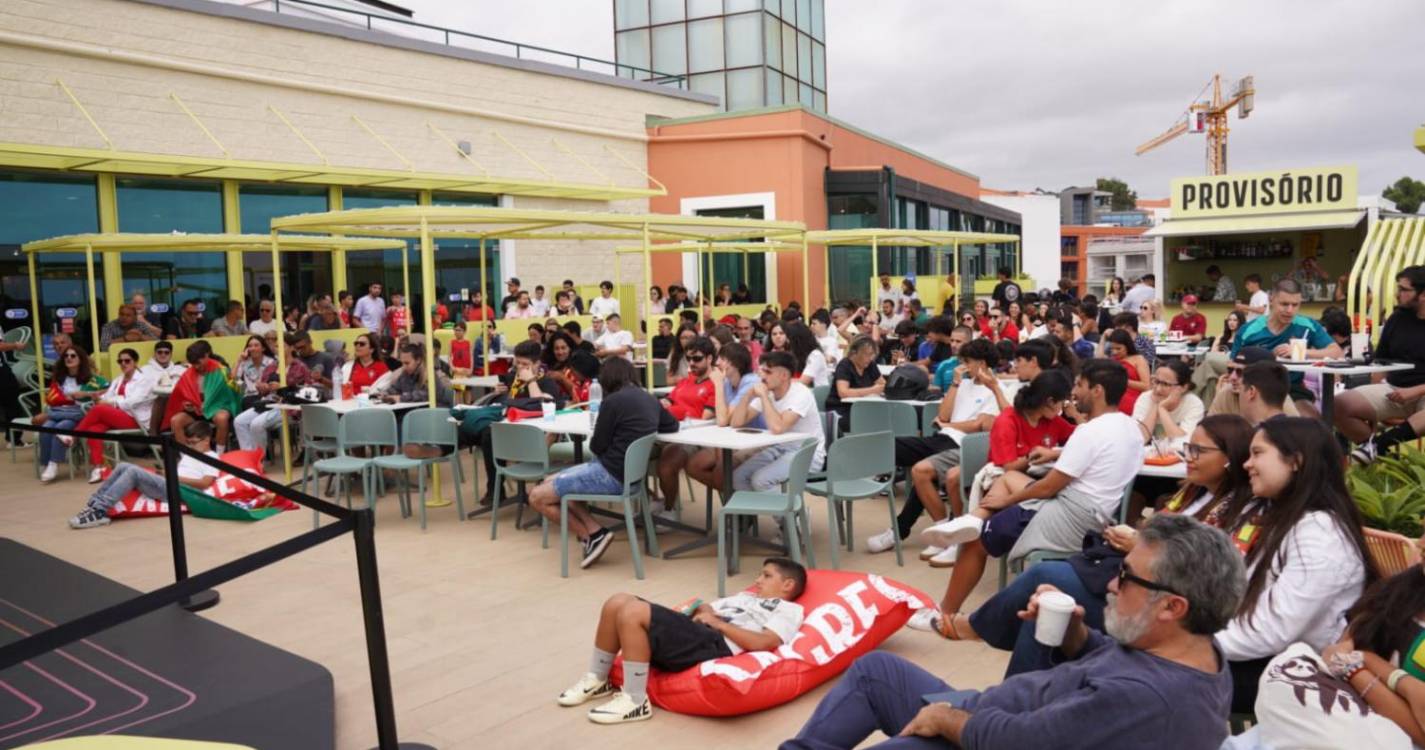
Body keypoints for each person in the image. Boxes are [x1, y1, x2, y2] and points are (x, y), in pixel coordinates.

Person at [783, 513, 1240, 750]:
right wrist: (1075, 637)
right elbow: (1111, 670)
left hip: (982, 737)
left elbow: (1018, 744)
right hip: (988, 714)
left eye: (1128, 576)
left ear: (1173, 606)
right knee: (875, 670)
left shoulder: (1148, 698)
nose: (1113, 583)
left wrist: (945, 718)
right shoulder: (1195, 648)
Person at [934, 415, 1256, 676]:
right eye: (1188, 448)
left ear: (1230, 458)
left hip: (1155, 602)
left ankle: (977, 629)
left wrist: (1139, 543)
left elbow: (1200, 573)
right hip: (1130, 576)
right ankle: (1017, 703)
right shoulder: (1194, 493)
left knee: (1045, 579)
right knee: (1049, 603)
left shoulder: (1236, 513)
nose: (1189, 457)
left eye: (1198, 451)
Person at [916, 359, 1144, 626]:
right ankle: (974, 518)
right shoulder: (1130, 429)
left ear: (1097, 391)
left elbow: (1049, 488)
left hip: (1070, 517)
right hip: (1099, 515)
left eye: (1080, 385)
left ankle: (944, 614)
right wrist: (1056, 453)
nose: (1074, 394)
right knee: (1010, 477)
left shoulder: (1089, 432)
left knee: (976, 541)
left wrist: (1007, 501)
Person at [561, 558, 807, 725]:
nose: (758, 580)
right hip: (698, 631)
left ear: (788, 584)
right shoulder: (745, 596)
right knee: (617, 601)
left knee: (633, 611)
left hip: (714, 643)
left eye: (766, 576)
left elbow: (765, 642)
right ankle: (598, 678)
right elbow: (712, 608)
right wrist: (705, 610)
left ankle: (635, 701)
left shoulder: (787, 609)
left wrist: (720, 624)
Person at [869, 339, 1006, 563]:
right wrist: (954, 385)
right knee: (891, 448)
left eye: (967, 362)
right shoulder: (964, 384)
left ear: (981, 363)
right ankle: (938, 532)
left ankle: (907, 530)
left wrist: (949, 426)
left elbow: (979, 425)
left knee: (921, 471)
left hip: (965, 445)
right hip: (942, 439)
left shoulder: (996, 389)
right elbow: (943, 415)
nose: (963, 365)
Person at [529, 357, 676, 566]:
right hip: (630, 476)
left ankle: (589, 535)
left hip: (609, 475)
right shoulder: (649, 399)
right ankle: (595, 531)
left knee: (536, 496)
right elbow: (671, 426)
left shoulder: (612, 402)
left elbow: (596, 446)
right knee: (553, 482)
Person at [1336, 265, 1425, 464]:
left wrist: (1413, 392)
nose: (1397, 294)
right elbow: (1381, 361)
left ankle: (1377, 445)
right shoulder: (1397, 319)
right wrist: (1374, 393)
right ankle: (1386, 462)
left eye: (1404, 290)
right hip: (1394, 389)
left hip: (1421, 393)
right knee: (1340, 405)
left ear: (1423, 294)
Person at [67, 419, 222, 529]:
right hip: (169, 484)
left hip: (182, 492)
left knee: (133, 471)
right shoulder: (190, 453)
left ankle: (100, 511)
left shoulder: (213, 458)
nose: (190, 445)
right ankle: (94, 504)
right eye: (188, 442)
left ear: (206, 440)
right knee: (123, 465)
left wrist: (172, 476)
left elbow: (205, 483)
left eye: (193, 442)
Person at [1231, 278, 1341, 411]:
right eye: (1284, 304)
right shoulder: (1249, 330)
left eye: (1295, 305)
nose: (1290, 310)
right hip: (1254, 387)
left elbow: (1336, 352)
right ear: (1271, 300)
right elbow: (1233, 364)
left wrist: (1301, 351)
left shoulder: (1307, 325)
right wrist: (1269, 357)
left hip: (1292, 388)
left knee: (1313, 426)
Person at [729, 351, 825, 493]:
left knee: (761, 480)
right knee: (737, 477)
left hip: (807, 453)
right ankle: (751, 513)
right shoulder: (768, 393)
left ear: (784, 376)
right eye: (761, 371)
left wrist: (763, 396)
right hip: (780, 449)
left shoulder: (801, 393)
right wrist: (748, 395)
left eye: (767, 372)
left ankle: (791, 514)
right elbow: (736, 422)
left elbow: (778, 427)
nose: (762, 376)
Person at [685, 342, 766, 497]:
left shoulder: (750, 382)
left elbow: (723, 421)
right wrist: (721, 385)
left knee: (720, 473)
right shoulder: (728, 382)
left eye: (722, 359)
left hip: (757, 440)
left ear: (734, 362)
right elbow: (723, 419)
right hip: (732, 439)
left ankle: (740, 510)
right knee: (694, 465)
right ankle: (737, 501)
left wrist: (717, 384)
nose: (717, 363)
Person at [652, 337, 717, 517]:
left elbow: (706, 417)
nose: (691, 363)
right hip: (669, 431)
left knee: (666, 464)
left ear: (710, 358)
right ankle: (656, 500)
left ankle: (670, 509)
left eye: (697, 359)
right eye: (688, 359)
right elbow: (667, 400)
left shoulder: (714, 384)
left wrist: (677, 411)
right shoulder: (686, 381)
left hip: (695, 437)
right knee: (632, 457)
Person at [68, 347, 150, 483]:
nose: (123, 364)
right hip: (116, 416)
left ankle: (74, 436)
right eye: (120, 361)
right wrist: (98, 398)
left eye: (127, 361)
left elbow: (132, 402)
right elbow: (107, 395)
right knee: (93, 430)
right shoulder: (118, 379)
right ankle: (98, 468)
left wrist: (108, 402)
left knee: (99, 409)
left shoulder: (143, 380)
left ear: (135, 362)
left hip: (134, 418)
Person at [37, 345, 107, 483]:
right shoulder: (60, 378)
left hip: (80, 414)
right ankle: (46, 464)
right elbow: (53, 397)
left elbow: (109, 389)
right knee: (47, 427)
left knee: (61, 425)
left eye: (73, 356)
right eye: (66, 356)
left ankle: (53, 464)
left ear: (80, 359)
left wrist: (85, 394)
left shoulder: (91, 378)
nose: (69, 358)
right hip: (64, 413)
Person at [232, 338, 314, 453]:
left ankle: (259, 458)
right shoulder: (273, 366)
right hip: (268, 403)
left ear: (291, 348)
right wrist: (263, 387)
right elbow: (262, 389)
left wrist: (282, 387)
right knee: (239, 421)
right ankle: (249, 456)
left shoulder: (300, 366)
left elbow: (309, 390)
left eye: (282, 346)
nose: (278, 349)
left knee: (256, 424)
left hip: (288, 407)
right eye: (276, 346)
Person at [163, 340, 239, 450]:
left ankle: (219, 454)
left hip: (217, 407)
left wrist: (208, 404)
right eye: (193, 364)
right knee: (175, 421)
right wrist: (186, 404)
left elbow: (230, 395)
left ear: (207, 356)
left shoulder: (221, 370)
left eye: (198, 362)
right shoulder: (189, 372)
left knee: (222, 418)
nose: (196, 366)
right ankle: (186, 455)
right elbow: (181, 395)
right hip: (196, 409)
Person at [1207, 348, 1299, 423]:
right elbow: (1209, 431)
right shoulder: (1226, 393)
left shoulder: (1280, 402)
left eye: (1240, 372)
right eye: (1230, 370)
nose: (1232, 377)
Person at [1133, 359, 1203, 453]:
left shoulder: (1193, 403)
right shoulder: (1145, 398)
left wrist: (1162, 409)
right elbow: (1138, 439)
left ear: (1183, 387)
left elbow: (1182, 444)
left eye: (1165, 384)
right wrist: (1156, 406)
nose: (1157, 389)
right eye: (1156, 381)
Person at [825, 335, 884, 425]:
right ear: (854, 353)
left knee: (885, 417)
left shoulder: (870, 365)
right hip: (841, 409)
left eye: (872, 354)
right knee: (873, 422)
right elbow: (843, 393)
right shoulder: (844, 365)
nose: (871, 358)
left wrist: (877, 389)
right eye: (867, 354)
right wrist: (872, 390)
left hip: (862, 408)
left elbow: (883, 384)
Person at [541, 330, 598, 403]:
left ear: (570, 348)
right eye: (556, 348)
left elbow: (579, 391)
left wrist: (562, 378)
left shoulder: (578, 364)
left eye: (563, 348)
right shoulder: (547, 364)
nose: (560, 352)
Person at [1103, 329, 1149, 416]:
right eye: (1112, 349)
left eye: (1118, 348)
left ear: (1127, 346)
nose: (1115, 352)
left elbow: (1146, 386)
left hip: (1133, 400)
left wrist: (1122, 381)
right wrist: (1103, 338)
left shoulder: (1138, 359)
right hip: (1112, 399)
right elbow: (1099, 357)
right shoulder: (1112, 360)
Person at [785, 322, 830, 387]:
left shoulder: (815, 355)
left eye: (789, 339)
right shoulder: (800, 355)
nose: (787, 342)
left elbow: (803, 381)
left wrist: (780, 382)